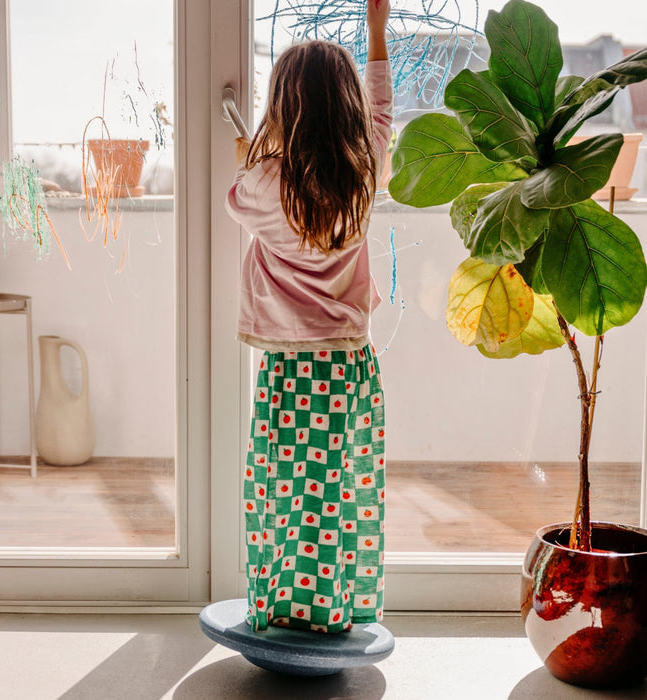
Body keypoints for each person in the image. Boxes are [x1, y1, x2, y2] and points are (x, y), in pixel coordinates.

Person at [225, 0, 392, 634]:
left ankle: (286, 603)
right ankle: (336, 604)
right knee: (339, 489)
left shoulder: (262, 186)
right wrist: (375, 35)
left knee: (286, 492)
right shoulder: (367, 173)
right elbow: (382, 115)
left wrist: (252, 151)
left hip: (289, 368)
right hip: (347, 365)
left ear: (282, 110)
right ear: (346, 107)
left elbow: (240, 193)